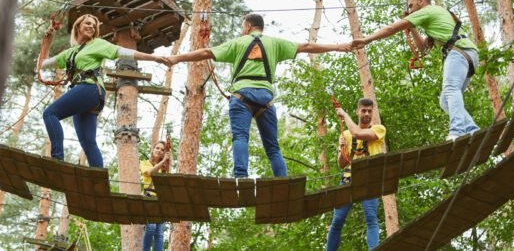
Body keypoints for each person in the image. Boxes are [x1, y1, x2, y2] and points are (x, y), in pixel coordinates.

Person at [164, 13, 350, 178]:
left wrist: (176, 58)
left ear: (247, 26)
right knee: (272, 147)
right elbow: (306, 46)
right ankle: (283, 182)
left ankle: (241, 178)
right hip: (266, 99)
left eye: (242, 27)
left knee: (240, 137)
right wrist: (339, 46)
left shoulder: (238, 42)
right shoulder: (274, 43)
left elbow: (205, 52)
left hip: (241, 96)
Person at [351, 0, 479, 141]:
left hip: (458, 52)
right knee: (445, 101)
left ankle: (457, 131)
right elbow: (423, 48)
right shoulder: (436, 15)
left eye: (411, 5)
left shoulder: (427, 10)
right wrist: (412, 27)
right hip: (469, 54)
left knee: (451, 89)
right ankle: (472, 129)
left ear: (421, 2)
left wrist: (367, 39)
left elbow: (391, 28)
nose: (410, 9)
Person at [41, 14, 166, 167]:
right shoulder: (70, 53)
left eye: (94, 26)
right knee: (88, 143)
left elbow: (123, 52)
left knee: (50, 113)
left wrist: (154, 58)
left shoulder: (98, 44)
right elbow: (43, 64)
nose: (91, 27)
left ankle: (57, 159)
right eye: (88, 24)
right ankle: (98, 182)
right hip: (86, 95)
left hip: (90, 89)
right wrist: (48, 41)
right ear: (78, 26)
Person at [326, 98, 385, 251]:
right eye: (363, 110)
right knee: (337, 220)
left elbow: (358, 133)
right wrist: (342, 149)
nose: (366, 113)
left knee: (371, 219)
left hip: (370, 180)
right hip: (348, 178)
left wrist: (344, 115)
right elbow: (341, 163)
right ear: (357, 111)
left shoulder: (379, 129)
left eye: (369, 111)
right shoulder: (345, 134)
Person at [140, 141, 170, 251]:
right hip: (149, 198)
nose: (159, 151)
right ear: (153, 150)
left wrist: (167, 164)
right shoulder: (145, 163)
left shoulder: (164, 169)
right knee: (151, 227)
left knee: (159, 233)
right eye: (157, 148)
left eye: (162, 150)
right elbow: (150, 173)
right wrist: (163, 161)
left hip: (161, 200)